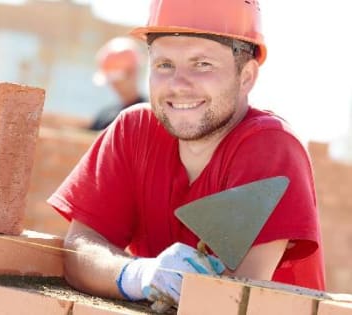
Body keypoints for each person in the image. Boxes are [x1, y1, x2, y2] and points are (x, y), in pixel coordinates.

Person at [48, 0, 326, 312]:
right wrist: (138, 274)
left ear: (246, 76)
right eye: (164, 65)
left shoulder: (270, 147)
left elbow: (231, 300)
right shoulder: (133, 130)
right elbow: (79, 251)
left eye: (202, 64)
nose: (179, 85)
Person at [89, 36, 147, 131]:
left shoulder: (149, 116)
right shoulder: (104, 115)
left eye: (116, 79)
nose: (113, 85)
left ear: (132, 72)